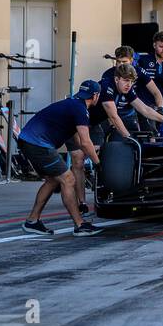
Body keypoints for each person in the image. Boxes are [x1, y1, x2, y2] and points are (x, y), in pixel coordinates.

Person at [71, 62, 163, 215]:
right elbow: (114, 117)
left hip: (91, 123)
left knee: (100, 153)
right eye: (126, 80)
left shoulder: (126, 89)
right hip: (75, 121)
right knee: (78, 159)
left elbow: (144, 109)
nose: (129, 85)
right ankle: (81, 201)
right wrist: (129, 137)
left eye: (132, 81)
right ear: (117, 79)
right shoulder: (107, 86)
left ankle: (99, 182)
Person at [18, 81, 104, 237]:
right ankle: (80, 225)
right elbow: (86, 141)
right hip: (38, 143)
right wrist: (98, 163)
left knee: (53, 180)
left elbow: (77, 138)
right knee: (68, 179)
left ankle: (32, 221)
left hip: (29, 140)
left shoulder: (73, 103)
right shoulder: (81, 109)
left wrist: (86, 154)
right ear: (95, 96)